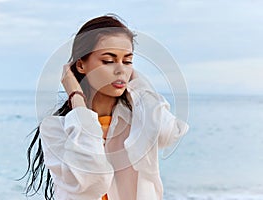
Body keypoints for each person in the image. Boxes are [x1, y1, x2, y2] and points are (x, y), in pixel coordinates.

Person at [23, 14, 189, 200]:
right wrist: (77, 99)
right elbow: (93, 179)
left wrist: (135, 81)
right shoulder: (56, 129)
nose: (120, 69)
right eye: (109, 61)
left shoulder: (138, 119)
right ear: (81, 65)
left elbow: (169, 133)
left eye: (127, 61)